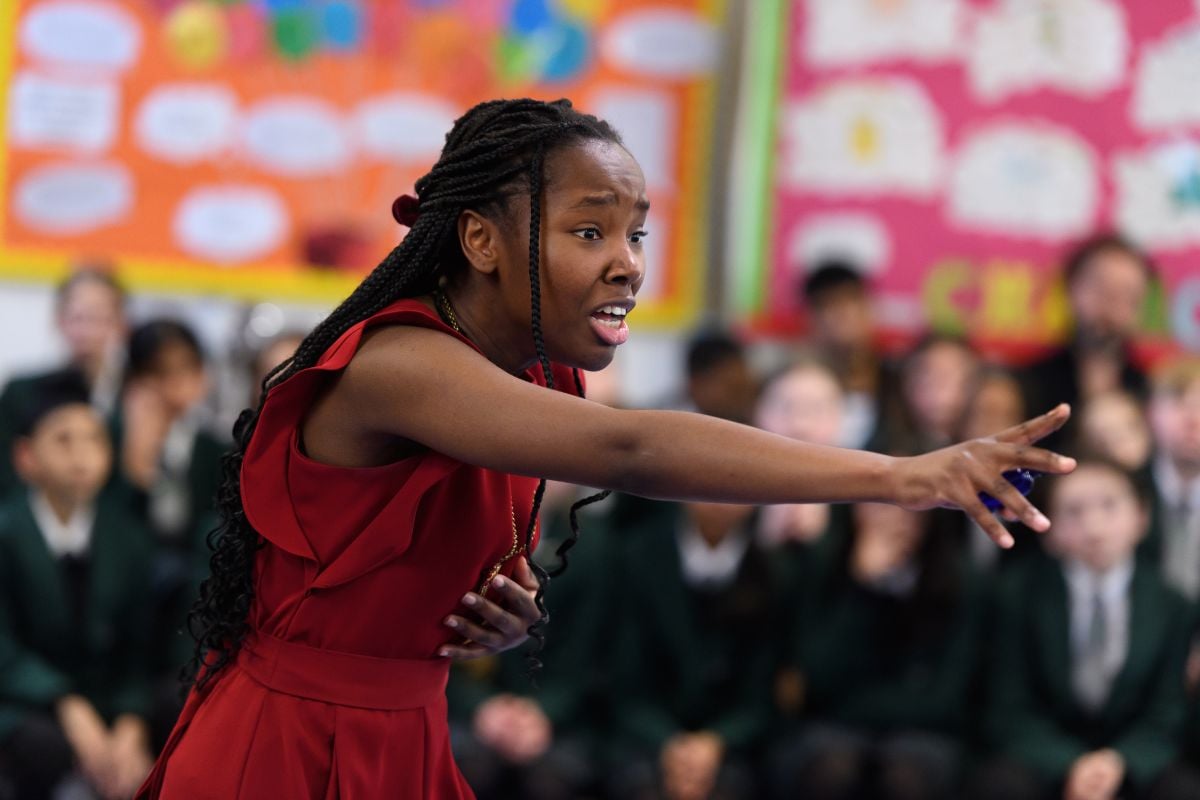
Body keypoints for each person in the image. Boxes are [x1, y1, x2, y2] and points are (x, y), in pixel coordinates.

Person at [137, 98, 1073, 799]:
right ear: (480, 239)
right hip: (288, 748)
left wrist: (478, 621)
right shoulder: (400, 362)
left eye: (636, 232)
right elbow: (631, 447)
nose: (627, 261)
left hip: (402, 731)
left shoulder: (532, 379)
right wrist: (904, 475)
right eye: (590, 231)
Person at [975, 459, 1197, 800]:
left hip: (1132, 754)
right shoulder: (1017, 596)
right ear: (1047, 528)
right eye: (1073, 512)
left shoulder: (1173, 606)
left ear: (1142, 517)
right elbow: (1008, 708)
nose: (1094, 527)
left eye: (1109, 506)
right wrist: (1071, 764)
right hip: (1045, 754)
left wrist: (1119, 762)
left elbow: (1168, 712)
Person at [0, 370, 155, 800]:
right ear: (26, 457)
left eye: (95, 440)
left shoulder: (128, 538)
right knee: (40, 746)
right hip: (24, 699)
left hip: (104, 695)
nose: (82, 455)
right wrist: (65, 702)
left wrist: (131, 720)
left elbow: (138, 648)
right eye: (64, 440)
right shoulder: (7, 532)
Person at [767, 501, 981, 800]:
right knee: (830, 769)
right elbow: (815, 678)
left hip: (922, 731)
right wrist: (862, 585)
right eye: (880, 505)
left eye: (911, 505)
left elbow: (946, 699)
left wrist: (858, 706)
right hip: (832, 729)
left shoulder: (961, 579)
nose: (895, 519)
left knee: (908, 775)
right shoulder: (824, 564)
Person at [0, 266, 127, 497]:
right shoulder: (21, 392)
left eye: (100, 318)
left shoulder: (132, 397)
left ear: (120, 325)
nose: (87, 330)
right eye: (78, 317)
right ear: (59, 320)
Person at [1022, 234, 1154, 451]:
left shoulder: (1150, 392)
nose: (1110, 304)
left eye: (1126, 293)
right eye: (1099, 287)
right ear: (1071, 289)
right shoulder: (1029, 385)